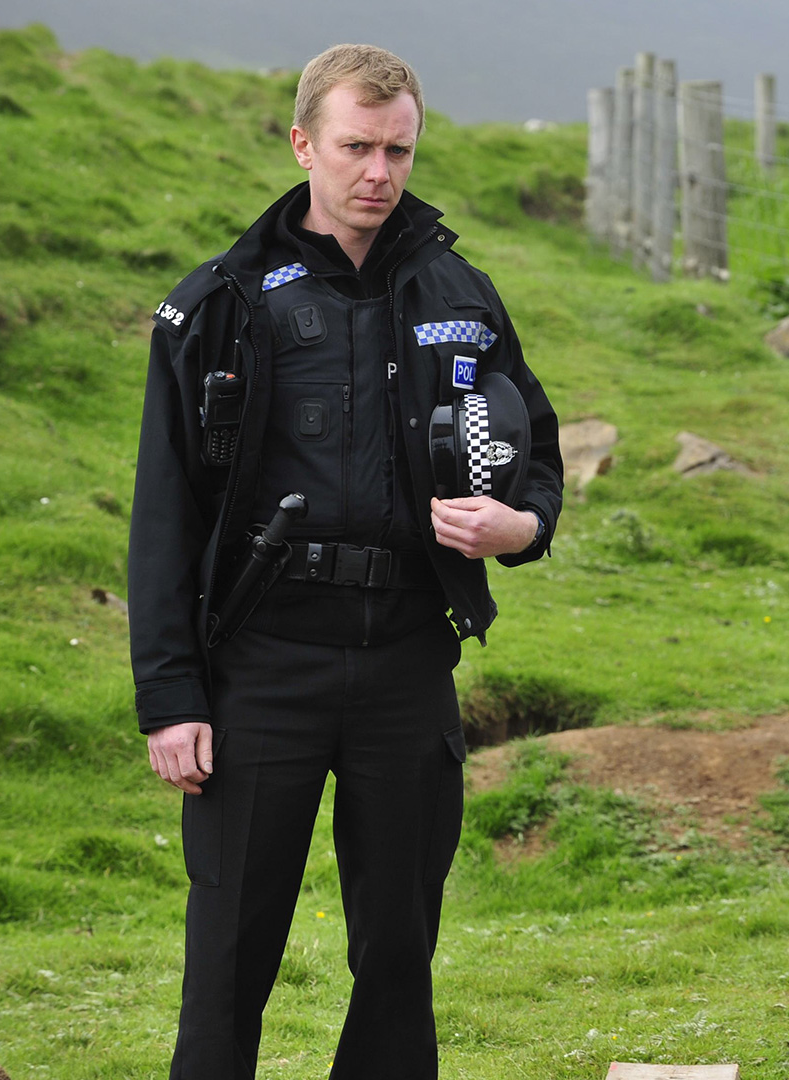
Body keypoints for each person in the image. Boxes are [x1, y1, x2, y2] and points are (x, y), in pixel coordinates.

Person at [129, 44, 562, 1079]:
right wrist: (171, 698)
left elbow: (535, 452)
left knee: (400, 952)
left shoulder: (462, 292)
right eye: (356, 147)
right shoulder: (223, 301)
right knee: (229, 955)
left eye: (398, 151)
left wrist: (521, 529)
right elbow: (165, 513)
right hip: (262, 665)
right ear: (303, 144)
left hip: (408, 660)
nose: (379, 172)